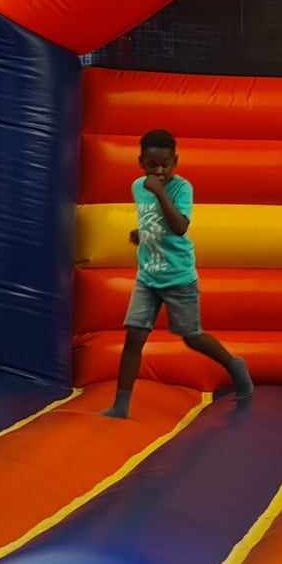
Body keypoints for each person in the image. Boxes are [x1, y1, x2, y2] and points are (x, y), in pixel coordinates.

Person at [102, 129, 252, 419]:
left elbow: (180, 227)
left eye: (165, 165)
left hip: (178, 276)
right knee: (134, 336)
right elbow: (153, 221)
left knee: (191, 336)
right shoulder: (137, 186)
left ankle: (234, 365)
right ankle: (120, 405)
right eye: (152, 165)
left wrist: (160, 193)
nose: (159, 171)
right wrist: (142, 233)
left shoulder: (182, 188)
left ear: (175, 162)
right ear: (141, 163)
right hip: (148, 275)